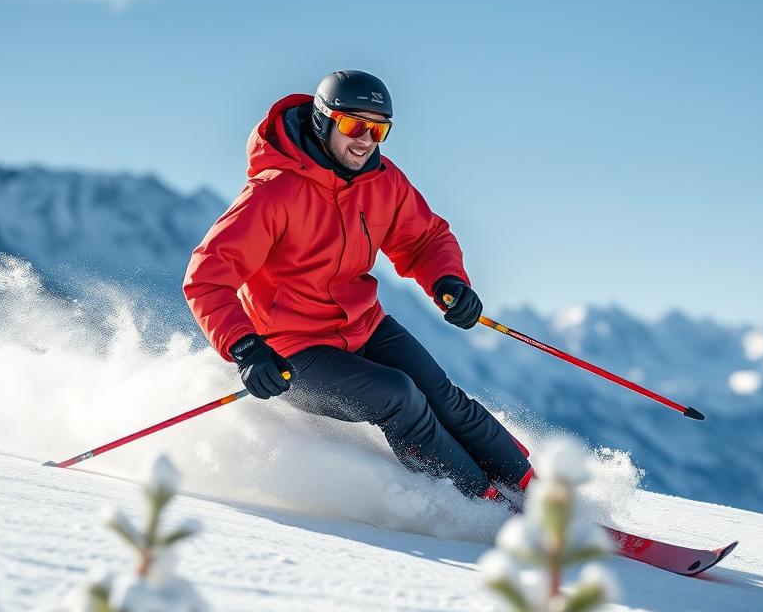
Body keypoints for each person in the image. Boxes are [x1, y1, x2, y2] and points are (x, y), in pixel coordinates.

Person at [184, 70, 533, 503]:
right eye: (354, 125)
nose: (366, 139)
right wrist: (246, 348)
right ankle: (482, 505)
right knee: (401, 397)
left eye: (379, 128)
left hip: (364, 325)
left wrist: (449, 281)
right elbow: (207, 276)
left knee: (441, 393)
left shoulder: (382, 180)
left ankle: (530, 487)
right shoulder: (274, 193)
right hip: (294, 349)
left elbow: (425, 239)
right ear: (323, 120)